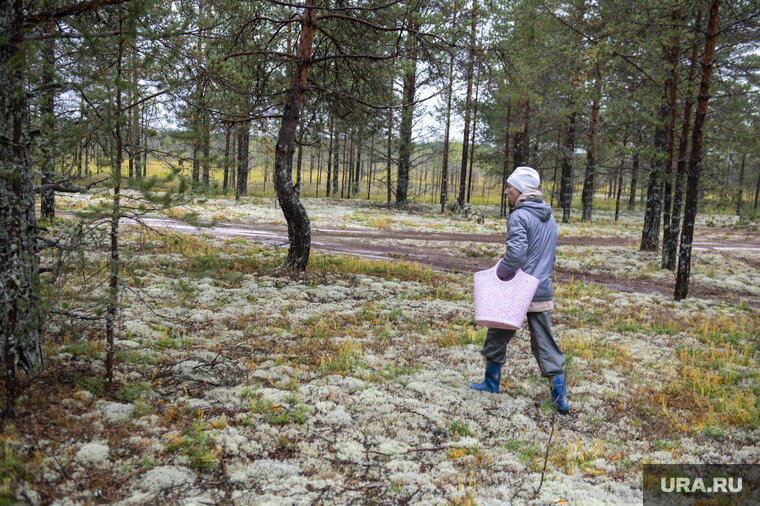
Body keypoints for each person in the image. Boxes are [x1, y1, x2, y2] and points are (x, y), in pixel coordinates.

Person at [468, 166, 569, 415]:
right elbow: (550, 255)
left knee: (497, 333)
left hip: (517, 290)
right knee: (544, 342)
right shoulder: (550, 217)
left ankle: (491, 383)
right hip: (540, 288)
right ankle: (560, 399)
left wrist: (500, 275)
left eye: (509, 187)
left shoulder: (519, 216)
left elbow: (516, 254)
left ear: (522, 191)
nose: (506, 191)